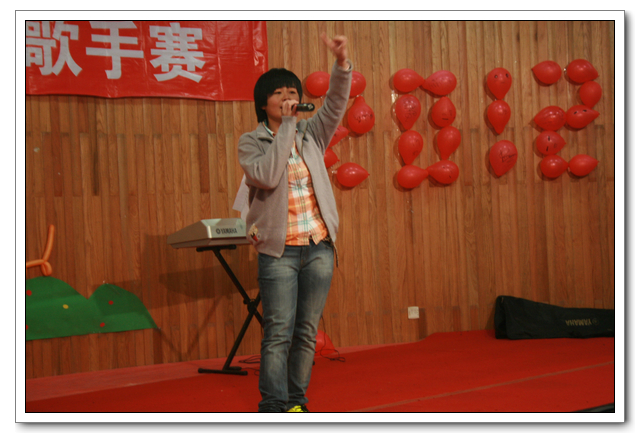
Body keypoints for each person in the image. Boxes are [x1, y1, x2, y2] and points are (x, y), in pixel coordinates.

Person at [237, 33, 352, 412]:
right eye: (279, 94)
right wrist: (287, 126)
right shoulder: (251, 142)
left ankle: (296, 404)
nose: (288, 98)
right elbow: (268, 176)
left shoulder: (311, 134)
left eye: (293, 92)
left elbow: (335, 104)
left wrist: (342, 64)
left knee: (306, 332)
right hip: (278, 251)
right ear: (264, 103)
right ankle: (273, 407)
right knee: (278, 334)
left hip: (317, 246)